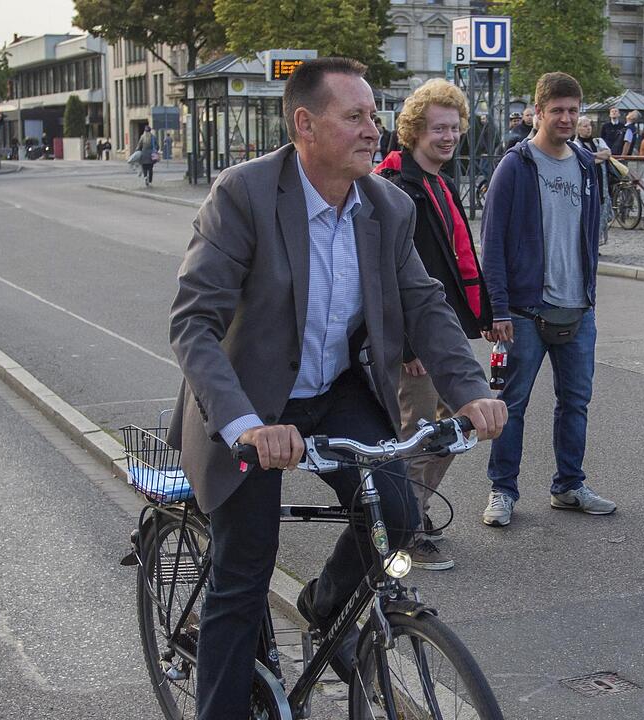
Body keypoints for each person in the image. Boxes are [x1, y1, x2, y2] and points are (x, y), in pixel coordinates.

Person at [166, 57, 507, 718]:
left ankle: (324, 604)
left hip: (333, 393)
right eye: (354, 116)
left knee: (400, 515)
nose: (372, 130)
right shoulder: (244, 195)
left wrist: (468, 391)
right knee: (243, 574)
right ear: (304, 124)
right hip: (250, 406)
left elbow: (425, 305)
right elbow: (192, 324)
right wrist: (244, 426)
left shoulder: (384, 205)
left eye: (374, 116)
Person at [479, 71, 615, 528]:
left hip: (578, 307)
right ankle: (502, 491)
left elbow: (592, 232)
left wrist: (589, 291)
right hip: (524, 312)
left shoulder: (584, 164)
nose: (566, 118)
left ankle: (569, 485)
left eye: (573, 110)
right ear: (537, 112)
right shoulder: (515, 166)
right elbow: (492, 243)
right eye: (556, 110)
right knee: (511, 406)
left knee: (576, 402)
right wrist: (497, 309)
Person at [373, 79, 494, 570]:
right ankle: (401, 531)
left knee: (450, 432)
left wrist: (484, 316)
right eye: (437, 128)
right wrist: (407, 345)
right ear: (415, 130)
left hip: (443, 337)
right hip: (414, 347)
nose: (448, 137)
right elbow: (383, 276)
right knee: (418, 434)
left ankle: (410, 516)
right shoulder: (393, 186)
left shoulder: (439, 184)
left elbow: (453, 261)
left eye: (454, 127)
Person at [573, 116, 613, 246]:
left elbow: (607, 153)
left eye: (589, 125)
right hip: (585, 184)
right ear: (578, 129)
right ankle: (587, 244)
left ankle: (596, 244)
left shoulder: (597, 141)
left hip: (601, 183)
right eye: (584, 126)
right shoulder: (575, 144)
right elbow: (584, 159)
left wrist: (593, 156)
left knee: (600, 213)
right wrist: (596, 157)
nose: (588, 128)